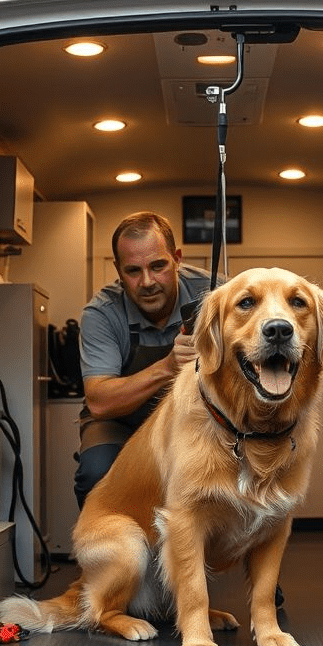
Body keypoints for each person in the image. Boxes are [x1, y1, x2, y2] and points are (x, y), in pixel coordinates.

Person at [74, 211, 214, 508]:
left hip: (194, 417)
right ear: (118, 269)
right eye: (133, 271)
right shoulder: (102, 314)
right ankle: (110, 551)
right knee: (97, 472)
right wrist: (167, 367)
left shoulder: (214, 294)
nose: (147, 281)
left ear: (177, 258)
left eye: (159, 266)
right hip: (121, 421)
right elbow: (99, 401)